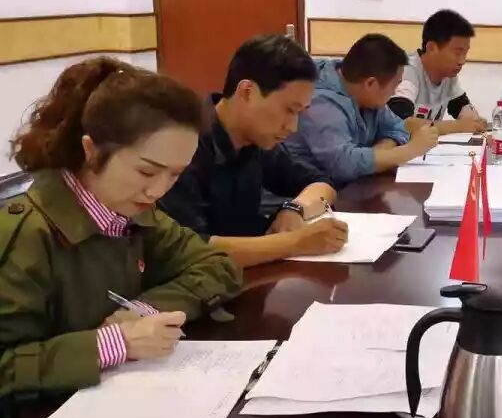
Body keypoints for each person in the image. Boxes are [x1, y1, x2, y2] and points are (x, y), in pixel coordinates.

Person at [0, 58, 243, 398]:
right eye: (146, 171)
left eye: (175, 174)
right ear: (91, 150)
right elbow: (6, 365)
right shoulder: (26, 234)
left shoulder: (134, 213)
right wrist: (112, 343)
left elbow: (218, 265)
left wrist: (142, 311)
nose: (158, 190)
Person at [160, 35, 349, 268]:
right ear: (247, 92)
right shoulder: (185, 145)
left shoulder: (255, 140)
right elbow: (190, 249)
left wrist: (295, 209)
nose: (293, 127)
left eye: (300, 113)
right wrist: (295, 242)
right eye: (289, 110)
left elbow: (321, 183)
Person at [284, 34, 440, 187]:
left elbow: (397, 127)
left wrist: (381, 151)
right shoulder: (321, 104)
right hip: (302, 195)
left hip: (350, 188)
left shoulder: (367, 95)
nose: (394, 92)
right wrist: (409, 151)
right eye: (394, 85)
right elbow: (344, 165)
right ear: (370, 84)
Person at [388, 9, 488, 136]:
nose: (462, 61)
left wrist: (473, 121)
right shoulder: (406, 71)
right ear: (432, 48)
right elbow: (400, 123)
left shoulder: (448, 75)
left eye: (465, 53)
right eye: (457, 53)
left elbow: (464, 109)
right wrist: (458, 126)